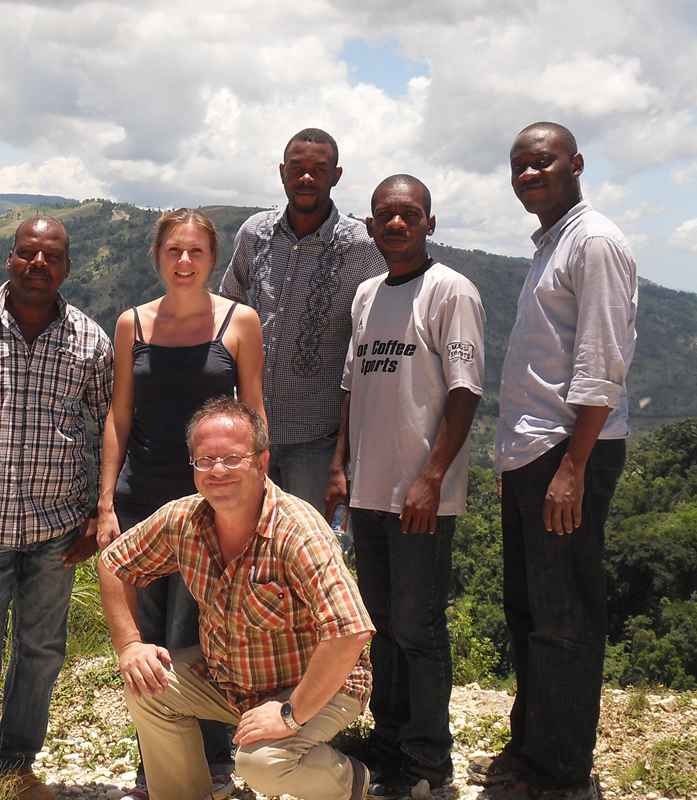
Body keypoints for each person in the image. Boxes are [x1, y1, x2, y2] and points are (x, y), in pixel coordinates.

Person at [471, 123, 637, 800]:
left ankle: (562, 770)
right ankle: (532, 746)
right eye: (519, 167)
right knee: (529, 609)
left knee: (564, 615)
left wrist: (574, 463)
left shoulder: (594, 240)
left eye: (541, 163)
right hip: (530, 453)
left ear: (576, 163)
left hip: (566, 453)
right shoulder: (553, 243)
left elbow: (603, 361)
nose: (529, 175)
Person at [99, 397, 375, 800]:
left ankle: (350, 781)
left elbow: (351, 632)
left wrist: (290, 713)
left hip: (321, 684)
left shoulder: (297, 532)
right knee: (148, 683)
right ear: (192, 465)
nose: (218, 471)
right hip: (232, 681)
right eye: (205, 460)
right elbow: (114, 563)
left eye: (232, 458)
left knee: (261, 763)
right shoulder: (185, 520)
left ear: (262, 462)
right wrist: (129, 645)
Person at [0, 216, 114, 800]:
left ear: (67, 266)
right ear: (9, 259)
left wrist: (97, 510)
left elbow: (109, 425)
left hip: (57, 527)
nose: (39, 264)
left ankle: (14, 766)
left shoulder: (90, 339)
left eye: (51, 256)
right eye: (28, 254)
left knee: (42, 649)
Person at [95, 208, 266, 800]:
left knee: (203, 625)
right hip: (142, 491)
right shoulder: (131, 324)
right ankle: (157, 764)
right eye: (174, 251)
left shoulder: (240, 322)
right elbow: (119, 415)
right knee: (146, 630)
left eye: (196, 251)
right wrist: (105, 500)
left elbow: (253, 415)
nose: (185, 262)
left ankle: (215, 755)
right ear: (158, 257)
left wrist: (258, 488)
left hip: (214, 496)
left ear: (213, 258)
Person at [329, 175, 486, 798]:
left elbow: (465, 391)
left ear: (429, 223)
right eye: (385, 216)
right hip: (368, 491)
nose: (396, 224)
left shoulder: (451, 291)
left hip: (421, 496)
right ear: (370, 227)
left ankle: (427, 760)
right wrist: (340, 467)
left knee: (419, 628)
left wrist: (431, 478)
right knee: (381, 624)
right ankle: (390, 739)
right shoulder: (367, 294)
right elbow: (351, 388)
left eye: (409, 214)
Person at [219, 127, 386, 534]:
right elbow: (225, 311)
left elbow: (371, 342)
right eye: (297, 168)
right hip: (249, 432)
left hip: (317, 438)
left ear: (336, 175)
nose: (306, 177)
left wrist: (345, 452)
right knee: (241, 546)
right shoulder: (254, 234)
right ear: (282, 172)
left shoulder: (362, 247)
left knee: (304, 552)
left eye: (318, 169)